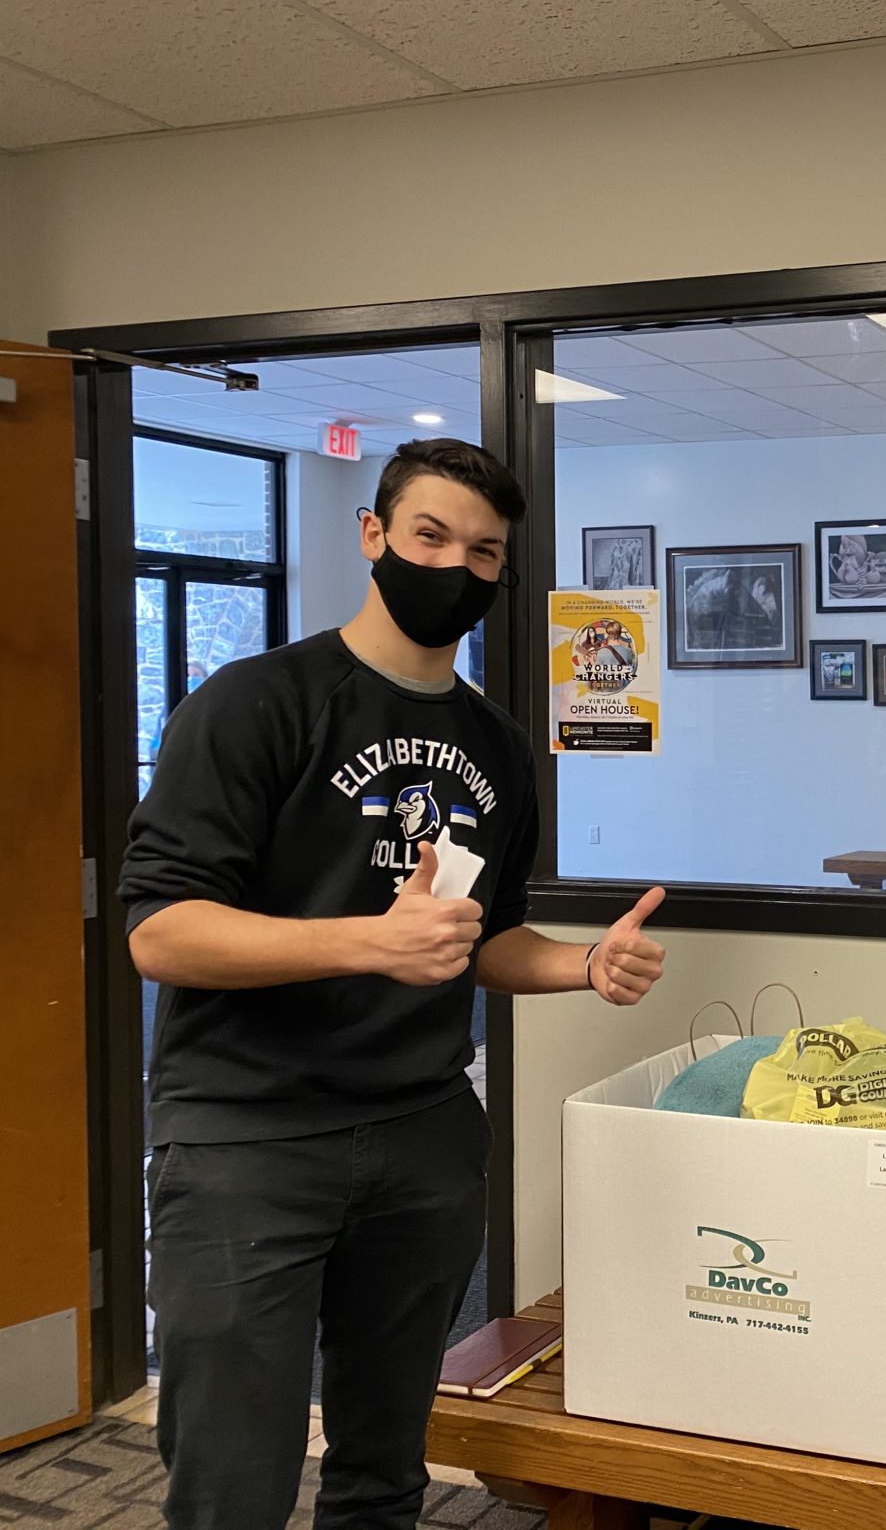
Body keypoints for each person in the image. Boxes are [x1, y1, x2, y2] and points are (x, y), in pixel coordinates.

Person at [121, 438, 672, 1530]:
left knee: (384, 1470)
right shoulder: (256, 704)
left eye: (482, 553)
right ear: (373, 535)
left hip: (421, 1136)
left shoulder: (498, 747)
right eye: (429, 536)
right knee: (234, 1476)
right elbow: (164, 934)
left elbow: (479, 935)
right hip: (247, 1140)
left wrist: (577, 964)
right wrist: (367, 943)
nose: (452, 568)